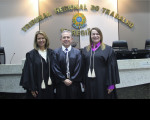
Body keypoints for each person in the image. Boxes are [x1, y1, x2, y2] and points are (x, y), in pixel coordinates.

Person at [82, 27, 120, 99]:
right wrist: (84, 82)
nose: (95, 36)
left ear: (101, 36)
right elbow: (83, 67)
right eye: (93, 34)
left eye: (97, 34)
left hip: (103, 80)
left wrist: (111, 85)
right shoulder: (85, 49)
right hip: (89, 81)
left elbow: (112, 67)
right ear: (90, 36)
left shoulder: (108, 49)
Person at [20, 30, 55, 99]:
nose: (41, 40)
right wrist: (32, 88)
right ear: (36, 40)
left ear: (46, 39)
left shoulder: (52, 53)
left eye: (43, 38)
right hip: (36, 87)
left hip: (49, 86)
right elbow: (28, 73)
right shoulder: (31, 55)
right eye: (39, 38)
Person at [52, 30, 83, 99]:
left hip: (74, 83)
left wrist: (72, 79)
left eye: (68, 37)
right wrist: (63, 79)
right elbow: (55, 68)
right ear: (61, 39)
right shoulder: (55, 52)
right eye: (64, 37)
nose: (66, 39)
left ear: (71, 39)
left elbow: (79, 67)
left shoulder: (77, 52)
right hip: (61, 84)